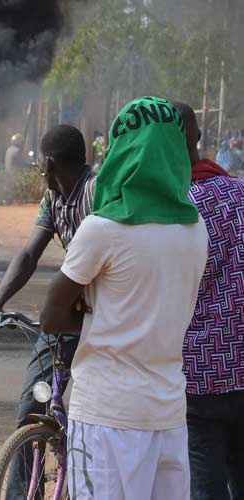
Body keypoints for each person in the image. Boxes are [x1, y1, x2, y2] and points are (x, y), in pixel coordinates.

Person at [40, 97, 208, 499]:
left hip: (106, 414)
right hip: (167, 413)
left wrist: (97, 320)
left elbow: (50, 315)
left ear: (121, 151)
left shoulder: (103, 229)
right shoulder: (194, 227)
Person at [0, 124, 94, 499]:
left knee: (97, 414)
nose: (41, 170)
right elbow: (28, 255)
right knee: (32, 405)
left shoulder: (97, 191)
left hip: (97, 320)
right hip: (62, 319)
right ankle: (21, 493)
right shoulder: (52, 198)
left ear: (50, 161)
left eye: (42, 163)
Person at [176, 102, 244, 500]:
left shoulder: (176, 209)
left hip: (200, 377)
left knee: (206, 485)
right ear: (198, 139)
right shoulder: (239, 191)